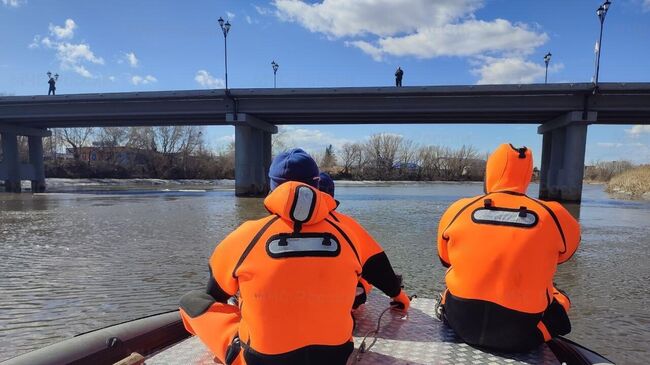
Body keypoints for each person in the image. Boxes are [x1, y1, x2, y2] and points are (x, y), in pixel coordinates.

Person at [179, 148, 410, 365]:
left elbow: (214, 295)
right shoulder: (349, 230)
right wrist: (400, 296)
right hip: (336, 357)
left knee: (192, 301)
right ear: (317, 184)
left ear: (272, 188)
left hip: (262, 360)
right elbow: (382, 273)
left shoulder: (246, 235)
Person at [436, 143, 580, 352]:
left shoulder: (458, 208)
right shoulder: (555, 214)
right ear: (527, 174)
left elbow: (445, 258)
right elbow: (564, 255)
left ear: (490, 172)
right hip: (521, 335)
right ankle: (543, 330)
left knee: (453, 278)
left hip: (460, 323)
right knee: (560, 297)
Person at [318, 172, 373, 309]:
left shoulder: (282, 224)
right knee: (366, 274)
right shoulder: (347, 224)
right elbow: (377, 264)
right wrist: (400, 297)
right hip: (342, 301)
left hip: (295, 297)